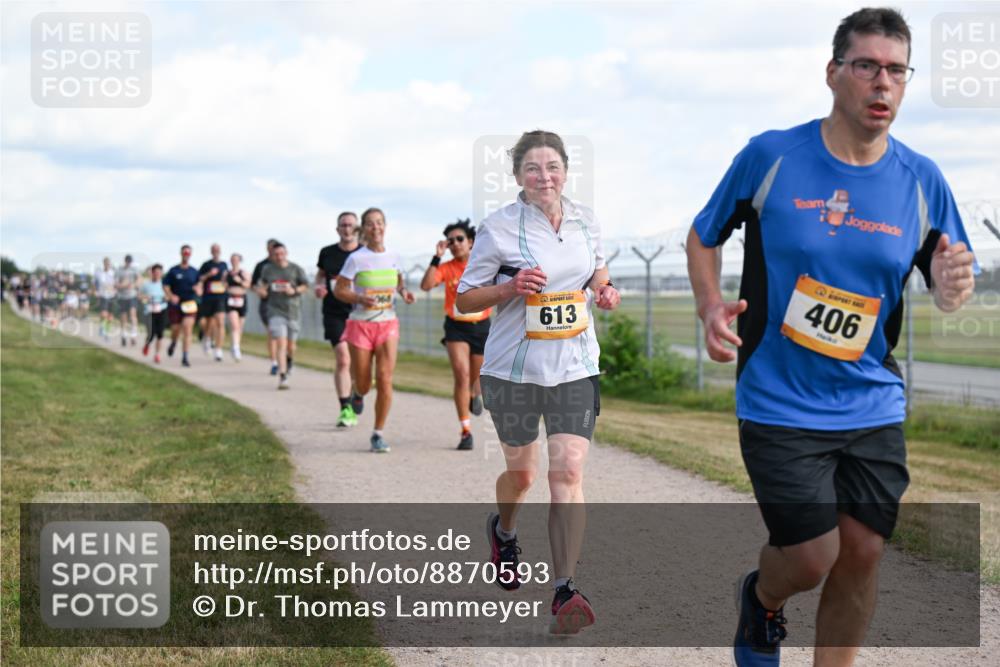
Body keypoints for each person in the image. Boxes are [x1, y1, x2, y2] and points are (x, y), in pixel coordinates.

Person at [684, 9, 977, 666]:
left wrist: (954, 286)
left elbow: (948, 279)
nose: (883, 83)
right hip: (778, 398)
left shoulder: (921, 179)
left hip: (871, 398)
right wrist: (708, 305)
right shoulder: (773, 157)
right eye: (867, 66)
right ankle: (761, 598)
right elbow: (704, 233)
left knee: (865, 551)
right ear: (833, 73)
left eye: (897, 70)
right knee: (814, 557)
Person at [455, 130, 620, 635]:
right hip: (514, 371)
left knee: (567, 471)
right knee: (522, 477)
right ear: (517, 176)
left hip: (574, 365)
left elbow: (595, 270)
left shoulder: (585, 219)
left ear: (566, 170)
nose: (543, 176)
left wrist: (604, 289)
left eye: (552, 167)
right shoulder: (499, 228)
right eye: (532, 168)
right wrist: (506, 287)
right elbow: (465, 300)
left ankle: (564, 589)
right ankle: (503, 530)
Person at [334, 207, 415, 452]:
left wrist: (404, 293)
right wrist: (359, 299)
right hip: (361, 324)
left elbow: (399, 282)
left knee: (385, 378)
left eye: (379, 223)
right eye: (370, 224)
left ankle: (378, 433)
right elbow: (339, 290)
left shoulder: (395, 256)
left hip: (387, 323)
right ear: (364, 230)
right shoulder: (356, 259)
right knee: (364, 382)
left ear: (385, 226)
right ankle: (358, 393)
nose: (375, 227)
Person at [420, 218, 492, 450]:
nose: (455, 244)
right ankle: (465, 430)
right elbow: (426, 285)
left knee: (477, 379)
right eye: (450, 241)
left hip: (481, 326)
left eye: (459, 239)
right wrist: (437, 256)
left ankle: (474, 394)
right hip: (456, 326)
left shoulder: (483, 264)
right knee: (461, 374)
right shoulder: (447, 267)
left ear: (471, 242)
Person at [315, 211, 363, 427]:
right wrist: (318, 287)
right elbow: (320, 276)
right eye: (343, 225)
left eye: (351, 225)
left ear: (357, 228)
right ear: (337, 229)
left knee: (360, 363)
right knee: (343, 359)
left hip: (361, 313)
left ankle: (359, 390)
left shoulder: (365, 253)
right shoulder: (327, 253)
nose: (347, 229)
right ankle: (345, 408)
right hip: (334, 312)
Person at [254, 243, 309, 390]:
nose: (279, 257)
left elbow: (305, 286)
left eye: (281, 254)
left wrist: (294, 290)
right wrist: (262, 292)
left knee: (291, 346)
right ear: (272, 255)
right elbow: (262, 286)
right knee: (281, 342)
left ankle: (289, 360)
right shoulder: (267, 269)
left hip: (293, 311)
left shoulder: (295, 269)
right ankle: (283, 376)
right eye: (276, 254)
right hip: (274, 310)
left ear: (286, 253)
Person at [163, 245, 203, 367]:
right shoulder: (173, 271)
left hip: (190, 303)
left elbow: (200, 287)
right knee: (176, 329)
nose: (186, 255)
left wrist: (198, 290)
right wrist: (171, 296)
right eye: (184, 253)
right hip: (176, 304)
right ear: (181, 254)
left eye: (188, 253)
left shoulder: (194, 272)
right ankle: (174, 342)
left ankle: (185, 356)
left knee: (187, 328)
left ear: (190, 255)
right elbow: (166, 286)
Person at [252, 239, 280, 375]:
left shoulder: (286, 267)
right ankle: (274, 362)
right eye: (270, 249)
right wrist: (259, 291)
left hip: (284, 305)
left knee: (283, 336)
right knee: (272, 332)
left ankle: (284, 358)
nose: (273, 251)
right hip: (267, 303)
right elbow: (253, 284)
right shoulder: (261, 266)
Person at [198, 243, 229, 362]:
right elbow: (200, 279)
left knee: (221, 322)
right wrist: (208, 275)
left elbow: (226, 279)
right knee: (208, 322)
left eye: (218, 250)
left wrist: (226, 282)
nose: (216, 251)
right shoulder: (206, 265)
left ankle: (218, 349)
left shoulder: (224, 265)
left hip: (220, 297)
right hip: (208, 297)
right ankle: (207, 338)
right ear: (211, 251)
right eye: (214, 250)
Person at [225, 253, 251, 361]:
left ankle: (235, 345)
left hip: (241, 299)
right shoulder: (227, 273)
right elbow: (223, 285)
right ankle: (236, 348)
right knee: (234, 325)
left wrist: (239, 280)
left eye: (236, 260)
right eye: (232, 260)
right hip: (231, 299)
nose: (234, 261)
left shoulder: (244, 273)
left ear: (239, 261)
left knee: (240, 326)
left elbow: (248, 285)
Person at [141, 264, 168, 363]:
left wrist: (166, 297)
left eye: (159, 272)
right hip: (149, 310)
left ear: (161, 274)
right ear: (152, 273)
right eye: (155, 272)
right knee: (151, 334)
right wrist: (145, 297)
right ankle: (147, 344)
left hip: (162, 309)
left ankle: (157, 355)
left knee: (160, 334)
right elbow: (139, 295)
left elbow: (170, 295)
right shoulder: (146, 285)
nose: (157, 274)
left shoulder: (164, 285)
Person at [116, 254, 142, 347]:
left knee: (132, 314)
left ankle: (133, 335)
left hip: (132, 295)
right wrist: (123, 285)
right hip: (122, 296)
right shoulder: (119, 270)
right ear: (125, 261)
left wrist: (134, 284)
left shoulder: (134, 270)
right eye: (127, 261)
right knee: (123, 317)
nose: (128, 263)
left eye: (130, 261)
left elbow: (139, 280)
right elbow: (116, 284)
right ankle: (123, 335)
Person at [94, 257, 117, 340]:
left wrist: (115, 289)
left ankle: (107, 332)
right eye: (106, 263)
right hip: (103, 295)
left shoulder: (113, 273)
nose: (107, 265)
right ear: (103, 264)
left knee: (110, 316)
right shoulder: (99, 273)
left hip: (112, 295)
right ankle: (102, 327)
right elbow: (95, 283)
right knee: (104, 314)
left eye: (108, 263)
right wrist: (96, 291)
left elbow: (116, 283)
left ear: (110, 264)